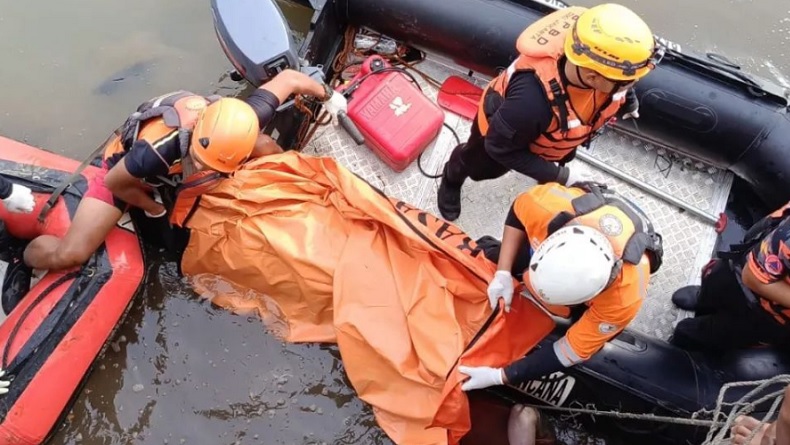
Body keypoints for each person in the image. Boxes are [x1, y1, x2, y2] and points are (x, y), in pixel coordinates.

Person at [15, 68, 346, 277]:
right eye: (206, 165)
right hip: (124, 171)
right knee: (72, 254)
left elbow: (290, 79)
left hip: (190, 153)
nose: (208, 172)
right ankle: (24, 259)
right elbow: (118, 182)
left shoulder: (243, 117)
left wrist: (330, 97)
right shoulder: (154, 152)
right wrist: (154, 207)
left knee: (270, 151)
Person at [436, 3, 663, 222]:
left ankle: (546, 168)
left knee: (559, 156)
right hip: (503, 136)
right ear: (593, 77)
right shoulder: (531, 102)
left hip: (559, 137)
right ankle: (451, 177)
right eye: (626, 83)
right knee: (478, 167)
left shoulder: (595, 72)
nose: (630, 86)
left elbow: (616, 89)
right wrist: (561, 176)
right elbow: (499, 148)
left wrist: (629, 102)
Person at [455, 181, 663, 392]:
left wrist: (501, 376)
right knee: (492, 256)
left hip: (622, 257)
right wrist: (502, 272)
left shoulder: (624, 297)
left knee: (584, 337)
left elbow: (570, 352)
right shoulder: (545, 206)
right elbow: (517, 212)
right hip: (568, 226)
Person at [669, 200, 790, 352]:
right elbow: (752, 277)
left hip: (768, 315)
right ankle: (704, 299)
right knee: (715, 282)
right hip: (744, 268)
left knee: (700, 332)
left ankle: (683, 345)